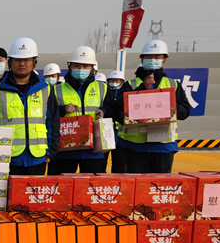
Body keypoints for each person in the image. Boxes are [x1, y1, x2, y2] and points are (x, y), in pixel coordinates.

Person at [113, 40, 190, 173]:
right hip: (135, 147)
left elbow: (185, 111)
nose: (153, 60)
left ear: (163, 60)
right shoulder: (130, 85)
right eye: (148, 57)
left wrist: (165, 104)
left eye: (157, 57)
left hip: (164, 147)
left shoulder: (173, 85)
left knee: (160, 185)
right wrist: (143, 88)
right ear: (142, 60)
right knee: (136, 185)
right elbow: (119, 106)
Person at [0, 37, 59, 176]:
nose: (22, 64)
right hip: (5, 159)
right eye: (17, 60)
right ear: (10, 62)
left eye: (26, 60)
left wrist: (51, 152)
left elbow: (53, 122)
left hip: (37, 158)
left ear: (34, 62)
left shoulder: (45, 89)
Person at [51, 46, 115, 174]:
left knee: (91, 184)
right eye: (77, 65)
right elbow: (49, 113)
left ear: (92, 68)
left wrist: (104, 111)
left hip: (94, 149)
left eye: (85, 66)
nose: (81, 69)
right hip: (66, 149)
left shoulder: (103, 88)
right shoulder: (57, 89)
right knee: (65, 184)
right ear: (69, 66)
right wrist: (63, 109)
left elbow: (113, 108)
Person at [105, 70, 126, 173]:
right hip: (105, 133)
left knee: (119, 161)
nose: (114, 83)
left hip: (120, 135)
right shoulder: (104, 93)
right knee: (102, 161)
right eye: (112, 80)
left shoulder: (124, 94)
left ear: (122, 82)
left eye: (117, 81)